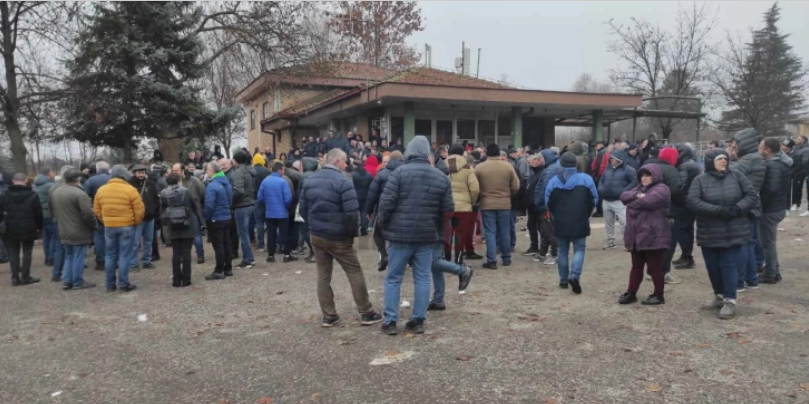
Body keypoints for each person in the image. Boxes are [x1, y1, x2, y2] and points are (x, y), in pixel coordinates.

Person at [377, 136, 454, 335]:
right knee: (422, 278)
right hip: (427, 236)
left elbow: (385, 205)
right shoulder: (440, 177)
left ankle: (391, 321)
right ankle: (418, 320)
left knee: (394, 278)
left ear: (409, 152)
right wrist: (437, 229)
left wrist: (383, 228)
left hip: (399, 236)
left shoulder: (398, 174)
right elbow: (448, 211)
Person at [298, 149, 382, 327]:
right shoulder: (343, 181)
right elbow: (352, 213)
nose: (347, 165)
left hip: (317, 234)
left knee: (323, 275)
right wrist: (351, 234)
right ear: (336, 161)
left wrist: (313, 225)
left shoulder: (310, 180)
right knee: (354, 271)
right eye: (345, 162)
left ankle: (329, 315)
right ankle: (366, 311)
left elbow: (303, 209)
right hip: (338, 236)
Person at [688, 149, 758, 319]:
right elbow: (693, 201)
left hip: (733, 230)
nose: (723, 162)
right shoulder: (700, 180)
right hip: (709, 231)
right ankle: (719, 295)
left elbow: (751, 195)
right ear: (710, 161)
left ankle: (730, 300)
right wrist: (718, 211)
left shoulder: (737, 176)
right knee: (712, 267)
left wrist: (737, 208)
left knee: (729, 266)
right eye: (719, 159)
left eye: (725, 159)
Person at [545, 152, 598, 294]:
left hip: (561, 220)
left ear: (561, 164)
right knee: (579, 248)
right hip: (580, 219)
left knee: (562, 251)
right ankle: (574, 276)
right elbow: (594, 199)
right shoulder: (586, 179)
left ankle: (563, 280)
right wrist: (586, 214)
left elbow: (548, 202)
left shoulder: (554, 181)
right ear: (575, 164)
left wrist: (556, 216)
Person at [618, 164, 670, 305]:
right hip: (636, 236)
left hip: (653, 235)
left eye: (648, 175)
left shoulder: (663, 189)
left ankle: (659, 295)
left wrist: (633, 201)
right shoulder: (638, 189)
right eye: (642, 175)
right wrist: (636, 195)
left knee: (654, 267)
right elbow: (623, 196)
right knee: (636, 265)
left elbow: (648, 201)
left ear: (655, 176)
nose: (644, 178)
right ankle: (631, 292)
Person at [94, 165, 145, 292]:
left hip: (109, 226)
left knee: (110, 255)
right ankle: (123, 283)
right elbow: (140, 210)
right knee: (124, 255)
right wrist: (135, 223)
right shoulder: (131, 190)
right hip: (127, 226)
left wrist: (105, 220)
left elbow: (96, 209)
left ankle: (110, 284)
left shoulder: (101, 190)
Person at [728, 129, 766, 292]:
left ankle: (739, 281)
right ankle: (751, 279)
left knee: (742, 244)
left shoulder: (750, 159)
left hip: (745, 206)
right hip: (751, 206)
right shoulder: (753, 158)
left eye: (735, 144)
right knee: (748, 243)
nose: (732, 146)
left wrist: (728, 157)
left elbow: (728, 172)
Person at [474, 144, 520, 269]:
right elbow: (516, 185)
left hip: (486, 203)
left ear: (487, 153)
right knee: (504, 231)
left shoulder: (479, 168)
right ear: (499, 154)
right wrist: (508, 193)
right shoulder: (508, 166)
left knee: (490, 232)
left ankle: (492, 260)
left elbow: (475, 186)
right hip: (504, 203)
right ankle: (506, 258)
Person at [51, 169, 97, 290]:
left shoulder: (57, 192)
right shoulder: (79, 194)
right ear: (78, 179)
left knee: (69, 256)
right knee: (79, 257)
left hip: (63, 229)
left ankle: (67, 281)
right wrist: (94, 226)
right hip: (78, 230)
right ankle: (77, 281)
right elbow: (88, 214)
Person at [643, 147, 685, 283]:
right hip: (669, 212)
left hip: (649, 211)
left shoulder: (646, 167)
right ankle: (663, 272)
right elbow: (678, 190)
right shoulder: (671, 170)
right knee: (668, 244)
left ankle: (650, 270)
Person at [0, 173, 43, 286]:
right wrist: (39, 227)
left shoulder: (4, 194)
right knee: (27, 252)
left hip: (10, 227)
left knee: (13, 253)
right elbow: (38, 213)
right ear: (25, 181)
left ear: (14, 180)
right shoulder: (33, 194)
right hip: (28, 226)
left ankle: (15, 278)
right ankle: (25, 277)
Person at [161, 173, 203, 287]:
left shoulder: (164, 194)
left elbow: (162, 210)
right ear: (179, 180)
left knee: (176, 253)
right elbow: (195, 206)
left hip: (173, 226)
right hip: (187, 224)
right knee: (186, 252)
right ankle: (186, 279)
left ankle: (176, 280)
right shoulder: (186, 191)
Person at [759, 138, 791, 284]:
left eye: (761, 148)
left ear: (768, 150)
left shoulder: (773, 165)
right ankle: (774, 272)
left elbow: (771, 189)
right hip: (778, 207)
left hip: (771, 209)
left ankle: (769, 274)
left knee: (767, 244)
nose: (759, 150)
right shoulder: (782, 163)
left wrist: (761, 204)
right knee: (769, 242)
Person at [366, 151, 404, 271]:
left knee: (377, 234)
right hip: (402, 211)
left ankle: (384, 255)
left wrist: (369, 210)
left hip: (383, 210)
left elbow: (372, 194)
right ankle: (400, 260)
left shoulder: (381, 175)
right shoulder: (406, 173)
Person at [445, 144, 480, 263]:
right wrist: (471, 201)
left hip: (446, 206)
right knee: (460, 233)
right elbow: (475, 189)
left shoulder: (441, 166)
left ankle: (446, 255)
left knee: (447, 232)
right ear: (462, 153)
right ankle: (459, 257)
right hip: (463, 207)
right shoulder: (468, 168)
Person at [598, 150, 638, 250]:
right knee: (608, 223)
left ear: (620, 159)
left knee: (624, 223)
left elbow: (634, 182)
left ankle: (628, 243)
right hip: (606, 199)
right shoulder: (607, 168)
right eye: (611, 158)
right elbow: (601, 180)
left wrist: (623, 191)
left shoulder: (629, 170)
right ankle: (611, 242)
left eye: (613, 158)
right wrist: (601, 189)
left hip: (620, 201)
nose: (611, 160)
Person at [671, 143, 701, 269]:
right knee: (688, 229)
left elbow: (681, 185)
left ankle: (687, 257)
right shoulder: (693, 164)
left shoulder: (684, 166)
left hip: (685, 201)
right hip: (692, 201)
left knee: (681, 229)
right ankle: (686, 256)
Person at [257, 162, 294, 263]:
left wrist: (267, 203)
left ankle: (271, 256)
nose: (283, 172)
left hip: (269, 212)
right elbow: (288, 198)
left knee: (271, 234)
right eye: (282, 170)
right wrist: (286, 207)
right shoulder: (283, 182)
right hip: (282, 213)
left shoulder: (265, 181)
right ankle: (286, 255)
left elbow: (259, 198)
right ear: (279, 170)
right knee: (285, 234)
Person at [203, 162, 234, 280]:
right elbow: (231, 199)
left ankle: (219, 270)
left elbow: (209, 205)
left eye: (207, 170)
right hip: (227, 217)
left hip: (216, 218)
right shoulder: (227, 183)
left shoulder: (212, 185)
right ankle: (228, 268)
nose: (206, 172)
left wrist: (206, 218)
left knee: (218, 245)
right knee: (227, 243)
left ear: (212, 171)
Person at [172, 163, 206, 263]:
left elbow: (202, 193)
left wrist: (198, 205)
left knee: (196, 234)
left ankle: (200, 255)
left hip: (192, 211)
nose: (174, 173)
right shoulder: (172, 182)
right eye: (173, 171)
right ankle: (183, 256)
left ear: (182, 170)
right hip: (177, 213)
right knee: (181, 235)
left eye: (176, 171)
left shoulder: (194, 181)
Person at [128, 164, 159, 271]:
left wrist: (153, 210)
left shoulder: (150, 184)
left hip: (150, 217)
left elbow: (156, 199)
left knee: (148, 241)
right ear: (134, 173)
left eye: (143, 172)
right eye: (139, 172)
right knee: (135, 242)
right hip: (137, 218)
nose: (141, 174)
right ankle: (133, 263)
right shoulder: (129, 184)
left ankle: (146, 261)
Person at [533, 149, 561, 265]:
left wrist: (539, 201)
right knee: (545, 229)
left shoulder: (550, 170)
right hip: (548, 205)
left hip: (547, 206)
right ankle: (542, 253)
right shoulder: (554, 167)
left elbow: (547, 189)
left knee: (549, 230)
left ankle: (554, 254)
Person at [229, 152, 257, 268]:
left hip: (241, 206)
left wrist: (231, 202)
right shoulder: (248, 170)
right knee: (245, 234)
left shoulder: (238, 172)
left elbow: (238, 190)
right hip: (250, 204)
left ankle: (247, 260)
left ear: (235, 160)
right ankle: (250, 258)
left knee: (243, 234)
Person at [85, 160, 110, 270]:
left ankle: (101, 261)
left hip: (98, 212)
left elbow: (84, 196)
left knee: (99, 237)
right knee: (112, 237)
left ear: (97, 169)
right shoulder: (113, 179)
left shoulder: (91, 180)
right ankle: (112, 260)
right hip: (113, 212)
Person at [33, 167, 56, 266]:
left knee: (46, 237)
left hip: (39, 214)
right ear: (49, 173)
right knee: (54, 236)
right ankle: (51, 258)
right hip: (49, 214)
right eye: (52, 171)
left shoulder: (34, 185)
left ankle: (47, 257)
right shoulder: (50, 185)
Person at [351, 160, 373, 236]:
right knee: (364, 212)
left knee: (354, 212)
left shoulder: (352, 174)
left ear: (355, 165)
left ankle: (354, 229)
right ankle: (364, 228)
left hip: (355, 195)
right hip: (365, 195)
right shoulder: (368, 174)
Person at [789, 135, 809, 212]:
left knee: (800, 188)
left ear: (802, 141)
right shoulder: (796, 149)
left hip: (802, 171)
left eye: (798, 139)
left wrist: (797, 167)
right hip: (795, 170)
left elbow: (804, 161)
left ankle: (798, 204)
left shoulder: (806, 150)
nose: (796, 140)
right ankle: (795, 203)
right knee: (796, 188)